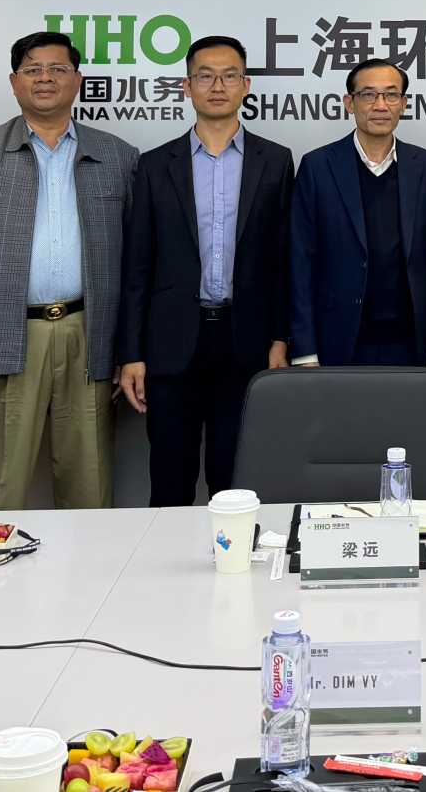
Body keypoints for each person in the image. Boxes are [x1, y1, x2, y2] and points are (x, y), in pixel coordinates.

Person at [0, 32, 137, 509]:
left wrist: (130, 349)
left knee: (90, 490)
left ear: (78, 81)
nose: (45, 79)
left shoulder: (118, 156)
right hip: (3, 338)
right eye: (32, 69)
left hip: (89, 337)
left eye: (57, 69)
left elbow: (136, 265)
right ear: (14, 82)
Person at [116, 35, 295, 506]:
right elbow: (137, 267)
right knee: (169, 478)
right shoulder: (155, 165)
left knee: (235, 478)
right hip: (171, 342)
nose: (218, 86)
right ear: (187, 86)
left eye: (229, 75)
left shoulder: (276, 161)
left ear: (246, 85)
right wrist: (132, 354)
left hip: (246, 340)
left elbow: (283, 261)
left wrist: (281, 339)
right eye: (205, 76)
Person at [287, 58, 426, 368]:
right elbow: (300, 261)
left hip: (413, 344)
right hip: (338, 342)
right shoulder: (318, 167)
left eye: (391, 95)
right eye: (369, 94)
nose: (380, 105)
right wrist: (304, 350)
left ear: (403, 104)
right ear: (350, 103)